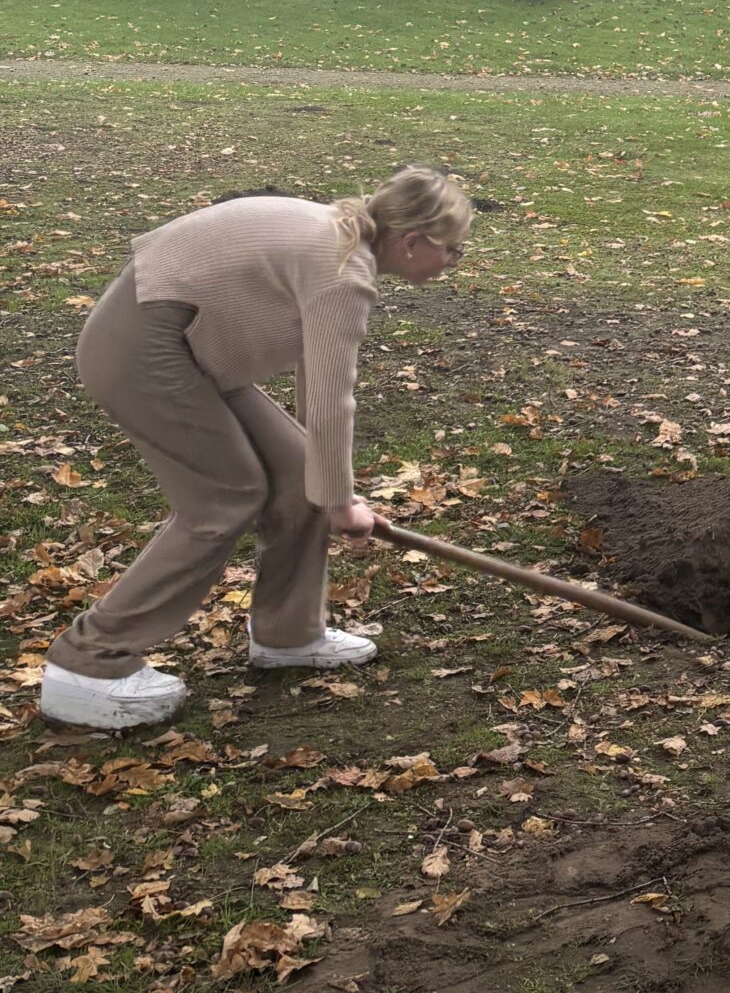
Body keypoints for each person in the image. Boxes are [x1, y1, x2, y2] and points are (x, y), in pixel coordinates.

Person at [38, 166, 473, 733]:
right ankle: (89, 663)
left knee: (298, 474)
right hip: (144, 348)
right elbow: (329, 400)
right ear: (413, 241)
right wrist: (343, 504)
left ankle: (289, 634)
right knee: (224, 497)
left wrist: (329, 488)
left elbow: (316, 387)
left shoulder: (340, 236)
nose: (454, 262)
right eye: (453, 250)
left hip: (186, 345)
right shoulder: (346, 272)